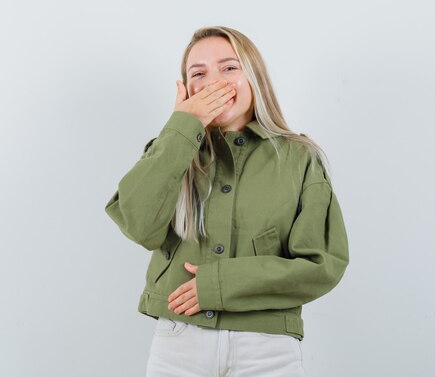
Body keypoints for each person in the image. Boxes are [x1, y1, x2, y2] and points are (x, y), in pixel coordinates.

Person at [104, 26, 349, 377]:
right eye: (198, 74)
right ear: (186, 89)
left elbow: (322, 264)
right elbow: (137, 225)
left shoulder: (299, 158)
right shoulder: (169, 150)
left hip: (267, 347)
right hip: (179, 342)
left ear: (254, 78)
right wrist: (181, 128)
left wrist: (218, 285)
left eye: (229, 68)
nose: (213, 82)